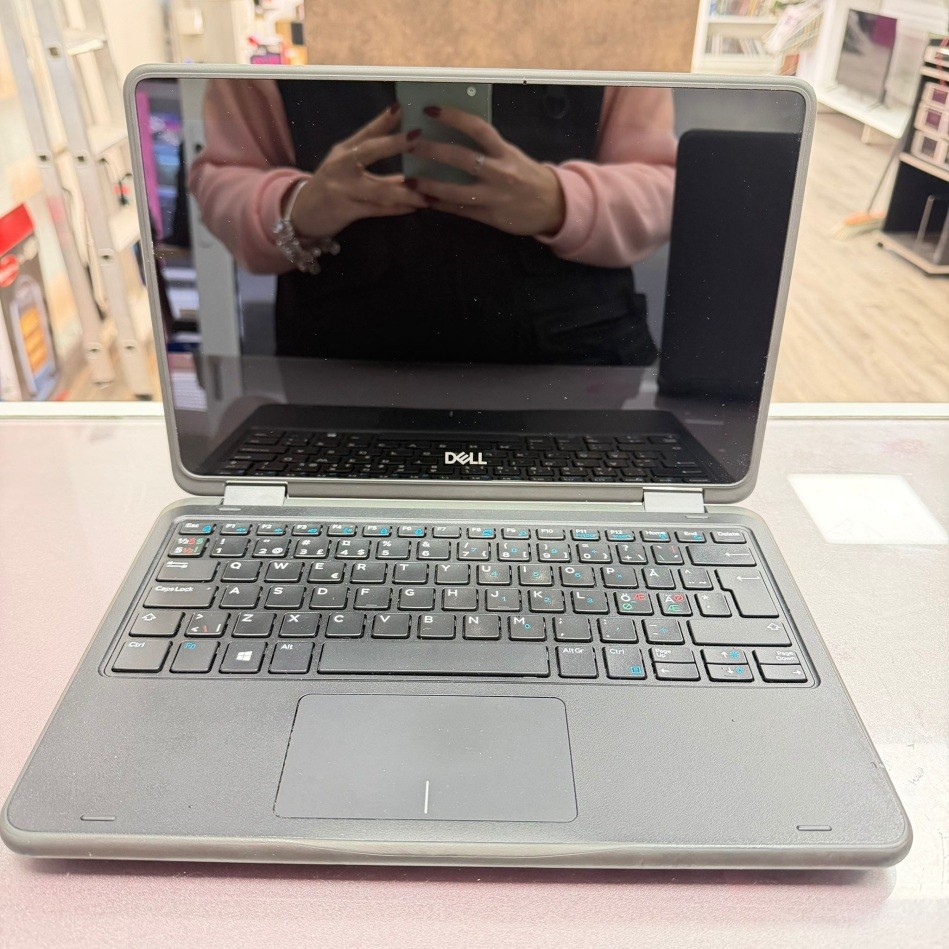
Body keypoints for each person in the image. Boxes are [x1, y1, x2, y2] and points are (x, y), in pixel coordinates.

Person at [190, 79, 676, 365]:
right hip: (342, 362)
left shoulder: (615, 20)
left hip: (575, 359)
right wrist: (296, 207)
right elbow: (224, 177)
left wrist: (561, 201)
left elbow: (665, 185)